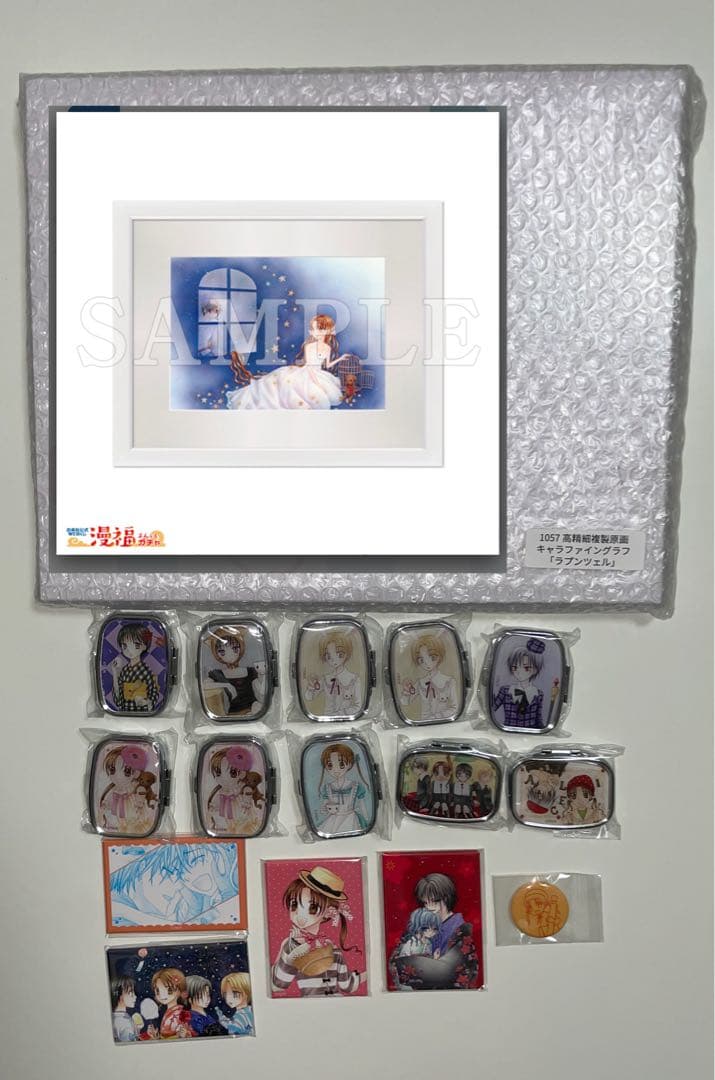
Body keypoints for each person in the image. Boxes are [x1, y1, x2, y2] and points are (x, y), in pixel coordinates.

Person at [271, 866, 366, 997]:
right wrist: (288, 951)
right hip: (310, 1005)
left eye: (313, 907)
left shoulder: (332, 948)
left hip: (339, 1004)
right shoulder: (291, 946)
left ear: (328, 912)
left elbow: (347, 985)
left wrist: (373, 972)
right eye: (294, 905)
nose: (300, 916)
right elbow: (278, 985)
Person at [226, 314, 344, 410]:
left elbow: (327, 365)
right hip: (308, 373)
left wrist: (340, 359)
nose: (316, 332)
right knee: (284, 386)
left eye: (321, 329)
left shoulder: (327, 348)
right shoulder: (310, 346)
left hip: (319, 374)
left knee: (327, 398)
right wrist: (317, 383)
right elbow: (310, 366)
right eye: (314, 329)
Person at [389, 872, 478, 991]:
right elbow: (394, 962)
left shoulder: (460, 930)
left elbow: (448, 972)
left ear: (447, 898)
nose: (429, 907)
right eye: (426, 902)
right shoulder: (420, 923)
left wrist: (412, 962)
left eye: (435, 902)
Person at [204, 626, 265, 717]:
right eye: (222, 651)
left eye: (235, 649)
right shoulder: (217, 674)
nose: (230, 655)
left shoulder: (251, 671)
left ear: (241, 648)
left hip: (252, 710)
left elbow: (262, 689)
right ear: (216, 654)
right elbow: (205, 685)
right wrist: (226, 685)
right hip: (231, 715)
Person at [399, 633, 459, 722]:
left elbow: (455, 708)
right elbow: (404, 702)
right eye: (422, 660)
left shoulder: (449, 682)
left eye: (432, 658)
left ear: (440, 657)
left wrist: (436, 717)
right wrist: (406, 690)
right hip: (423, 725)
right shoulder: (421, 683)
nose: (427, 663)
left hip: (445, 723)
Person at [304, 630, 362, 718]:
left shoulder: (354, 679)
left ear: (346, 654)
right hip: (325, 721)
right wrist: (311, 687)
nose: (333, 660)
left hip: (346, 721)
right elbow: (309, 697)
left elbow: (358, 707)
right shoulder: (325, 679)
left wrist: (339, 714)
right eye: (329, 656)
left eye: (339, 654)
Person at [492, 639, 546, 729]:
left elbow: (538, 719)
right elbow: (492, 708)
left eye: (526, 668)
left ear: (535, 669)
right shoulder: (505, 691)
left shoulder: (538, 694)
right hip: (507, 731)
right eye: (515, 667)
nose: (519, 672)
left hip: (531, 733)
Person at [316, 743, 369, 834]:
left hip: (350, 817)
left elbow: (362, 805)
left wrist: (367, 819)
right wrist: (324, 809)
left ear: (350, 764)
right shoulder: (327, 788)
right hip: (334, 819)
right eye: (330, 766)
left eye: (341, 764)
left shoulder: (356, 786)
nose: (336, 770)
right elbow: (325, 805)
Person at [109, 624, 160, 713]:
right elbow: (118, 696)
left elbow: (153, 691)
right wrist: (114, 672)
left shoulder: (146, 671)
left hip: (142, 712)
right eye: (125, 646)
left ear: (144, 646)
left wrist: (146, 702)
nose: (129, 650)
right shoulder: (124, 671)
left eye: (136, 645)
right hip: (125, 712)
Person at [151, 968, 195, 1038]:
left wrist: (183, 1035)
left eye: (169, 990)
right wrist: (156, 1036)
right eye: (158, 991)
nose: (162, 995)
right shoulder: (165, 1011)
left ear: (180, 990)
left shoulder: (181, 1013)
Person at [111, 976, 139, 1042]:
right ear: (119, 994)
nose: (135, 996)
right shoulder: (123, 1022)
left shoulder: (116, 1017)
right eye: (131, 993)